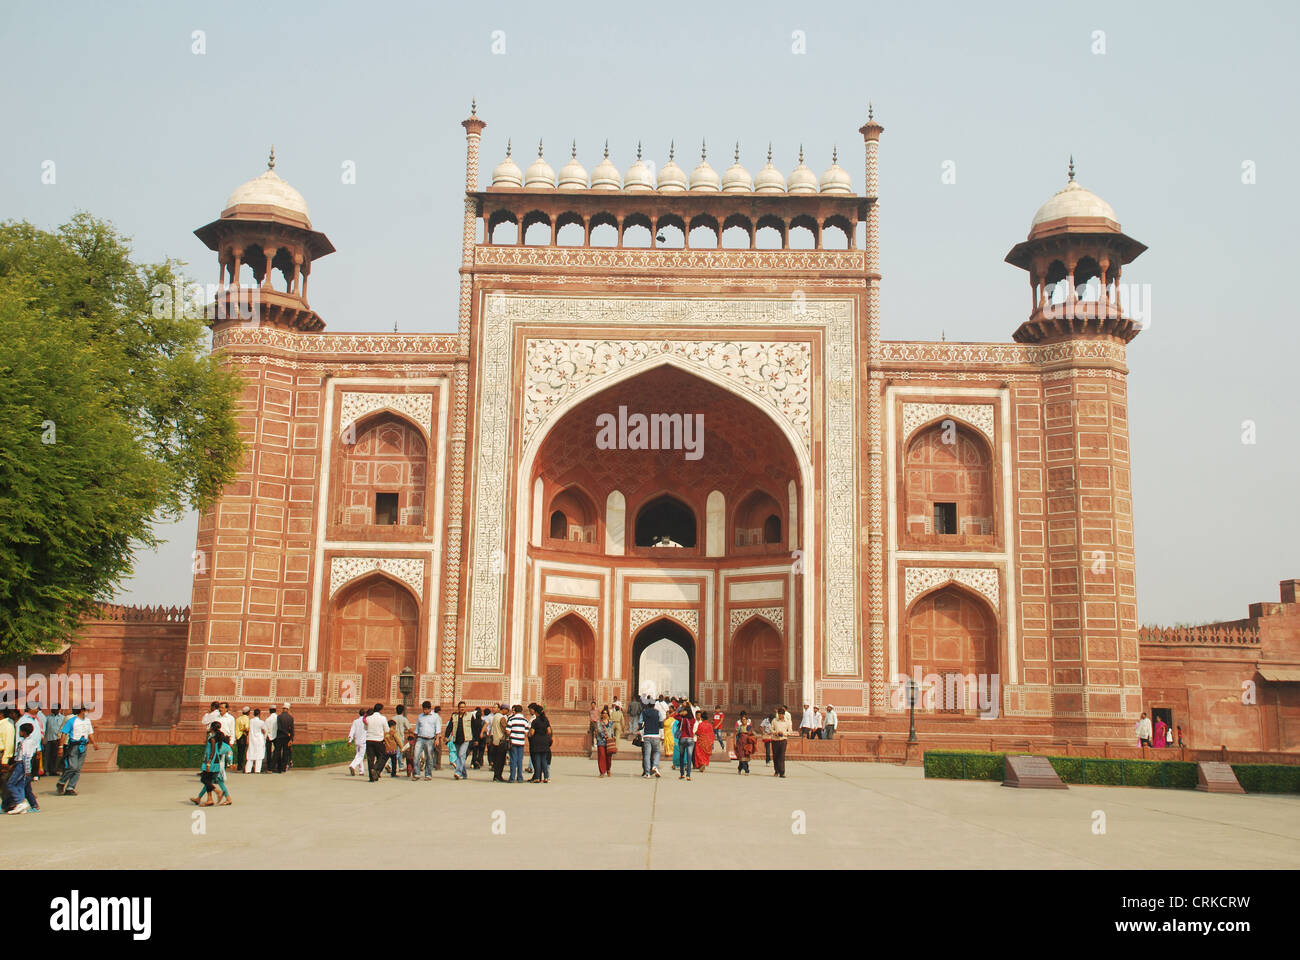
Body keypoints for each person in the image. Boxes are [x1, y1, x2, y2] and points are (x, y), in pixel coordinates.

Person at [56, 705, 96, 796]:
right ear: (82, 710)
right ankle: (61, 782)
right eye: (86, 710)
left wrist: (94, 743)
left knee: (78, 769)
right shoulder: (72, 721)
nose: (88, 712)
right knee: (72, 767)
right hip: (73, 746)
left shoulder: (87, 721)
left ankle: (70, 788)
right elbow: (64, 733)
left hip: (83, 746)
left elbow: (90, 733)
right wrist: (61, 747)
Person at [191, 723, 232, 806]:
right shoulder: (216, 737)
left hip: (212, 762)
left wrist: (209, 762)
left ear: (212, 728)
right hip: (217, 761)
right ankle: (204, 799)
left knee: (205, 780)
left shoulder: (212, 738)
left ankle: (218, 792)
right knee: (209, 781)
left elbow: (212, 751)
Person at [445, 701, 476, 781]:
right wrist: (446, 736)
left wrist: (475, 739)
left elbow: (474, 727)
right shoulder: (454, 716)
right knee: (460, 756)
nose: (462, 708)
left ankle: (458, 772)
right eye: (461, 707)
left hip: (466, 739)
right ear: (458, 708)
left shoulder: (470, 716)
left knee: (461, 755)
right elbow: (450, 727)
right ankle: (464, 774)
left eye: (463, 707)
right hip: (456, 739)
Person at [413, 701, 439, 780]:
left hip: (430, 739)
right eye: (423, 709)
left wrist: (437, 739)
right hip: (420, 738)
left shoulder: (435, 716)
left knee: (429, 757)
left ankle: (428, 774)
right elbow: (417, 729)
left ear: (430, 709)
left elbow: (438, 729)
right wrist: (415, 739)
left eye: (426, 709)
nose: (424, 711)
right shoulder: (420, 716)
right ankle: (417, 774)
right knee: (416, 756)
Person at [527, 703, 552, 783]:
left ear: (536, 713)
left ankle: (537, 777)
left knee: (537, 760)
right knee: (544, 760)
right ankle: (546, 777)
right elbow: (549, 731)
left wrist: (529, 733)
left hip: (536, 742)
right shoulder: (546, 720)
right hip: (544, 742)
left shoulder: (535, 721)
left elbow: (532, 733)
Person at [640, 695, 663, 778]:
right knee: (657, 752)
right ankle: (655, 766)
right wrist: (662, 736)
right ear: (654, 705)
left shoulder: (644, 712)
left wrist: (642, 734)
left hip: (647, 735)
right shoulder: (658, 712)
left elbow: (640, 724)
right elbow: (661, 725)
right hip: (656, 735)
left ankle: (647, 773)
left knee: (647, 754)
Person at [506, 704, 530, 782]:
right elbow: (526, 733)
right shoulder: (525, 720)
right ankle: (520, 777)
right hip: (521, 742)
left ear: (515, 711)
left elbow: (507, 731)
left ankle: (512, 778)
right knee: (520, 760)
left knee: (513, 760)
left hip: (513, 742)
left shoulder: (511, 719)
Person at [769, 705, 793, 778]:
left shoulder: (787, 722)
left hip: (783, 740)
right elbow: (771, 729)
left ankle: (782, 772)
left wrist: (784, 733)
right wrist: (775, 732)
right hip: (775, 740)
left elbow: (790, 731)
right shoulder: (774, 720)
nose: (780, 715)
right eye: (779, 714)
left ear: (784, 714)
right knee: (775, 756)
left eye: (781, 714)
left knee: (781, 756)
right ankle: (776, 771)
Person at [488, 703, 509, 781]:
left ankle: (496, 776)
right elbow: (505, 729)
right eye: (507, 710)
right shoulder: (502, 718)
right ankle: (498, 776)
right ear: (504, 709)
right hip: (501, 741)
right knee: (501, 760)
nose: (507, 712)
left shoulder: (495, 716)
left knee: (496, 760)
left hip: (495, 740)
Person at [43, 703, 64, 777]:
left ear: (59, 709)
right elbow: (45, 729)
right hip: (49, 739)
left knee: (55, 756)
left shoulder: (62, 718)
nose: (53, 709)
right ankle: (45, 770)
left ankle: (54, 770)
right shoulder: (47, 718)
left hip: (57, 740)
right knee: (47, 756)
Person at [594, 707, 616, 778]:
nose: (605, 715)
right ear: (602, 714)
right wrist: (605, 736)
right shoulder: (599, 722)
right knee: (602, 756)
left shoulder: (611, 722)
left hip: (609, 741)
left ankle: (608, 769)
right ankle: (602, 772)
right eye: (604, 713)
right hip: (601, 741)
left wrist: (613, 737)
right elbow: (600, 730)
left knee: (608, 757)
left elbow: (612, 731)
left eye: (606, 713)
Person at [676, 707, 696, 780]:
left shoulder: (682, 719)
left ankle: (682, 774)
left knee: (681, 756)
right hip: (690, 739)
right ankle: (688, 775)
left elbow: (675, 716)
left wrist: (680, 713)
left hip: (682, 739)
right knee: (689, 758)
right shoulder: (693, 720)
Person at [245, 708, 268, 773]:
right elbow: (266, 730)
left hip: (252, 739)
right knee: (259, 755)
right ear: (259, 714)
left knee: (250, 754)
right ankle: (257, 770)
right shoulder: (261, 722)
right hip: (259, 740)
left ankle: (248, 770)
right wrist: (264, 737)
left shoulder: (251, 721)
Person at [347, 708, 368, 776]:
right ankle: (353, 766)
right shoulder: (366, 721)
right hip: (363, 741)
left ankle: (361, 771)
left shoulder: (355, 721)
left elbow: (352, 731)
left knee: (358, 755)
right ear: (365, 714)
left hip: (357, 741)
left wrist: (350, 740)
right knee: (361, 756)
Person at [275, 703, 295, 771]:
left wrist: (286, 733)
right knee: (285, 753)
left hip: (280, 736)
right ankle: (283, 768)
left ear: (283, 709)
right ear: (288, 709)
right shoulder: (291, 718)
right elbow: (292, 729)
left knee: (277, 752)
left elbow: (279, 728)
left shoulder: (279, 716)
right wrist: (291, 738)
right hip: (287, 738)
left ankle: (277, 768)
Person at [393, 705, 411, 775]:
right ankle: (390, 764)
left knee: (399, 752)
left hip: (394, 737)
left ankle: (401, 766)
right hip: (400, 737)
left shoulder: (393, 718)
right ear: (403, 711)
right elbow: (408, 728)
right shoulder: (404, 719)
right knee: (399, 752)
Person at [234, 707, 251, 772]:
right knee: (242, 752)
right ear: (248, 712)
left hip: (238, 736)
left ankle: (239, 766)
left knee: (239, 752)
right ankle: (241, 766)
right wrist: (247, 732)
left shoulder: (238, 718)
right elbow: (246, 728)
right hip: (243, 736)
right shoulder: (246, 718)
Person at [264, 706, 279, 772]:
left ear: (270, 711)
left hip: (269, 737)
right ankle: (276, 766)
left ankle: (269, 767)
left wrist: (266, 737)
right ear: (275, 710)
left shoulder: (268, 719)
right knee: (277, 751)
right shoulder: (278, 718)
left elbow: (265, 729)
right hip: (276, 736)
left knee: (268, 753)